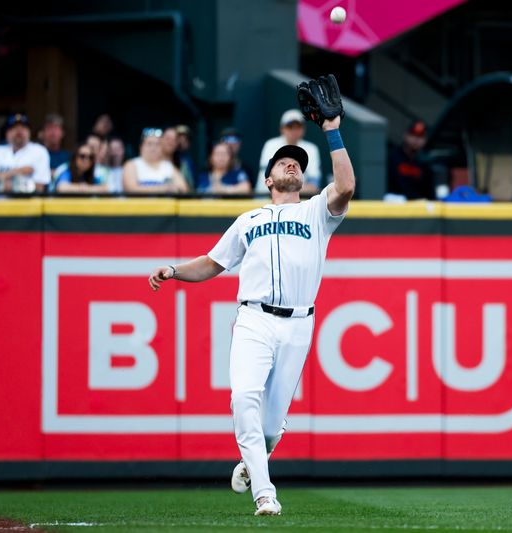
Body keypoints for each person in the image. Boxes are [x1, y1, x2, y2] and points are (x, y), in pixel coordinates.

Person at [148, 90, 352, 517]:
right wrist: (173, 270)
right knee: (244, 397)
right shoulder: (248, 220)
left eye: (297, 162)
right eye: (283, 161)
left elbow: (347, 186)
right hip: (254, 319)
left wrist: (332, 132)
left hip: (298, 325)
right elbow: (212, 263)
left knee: (271, 428)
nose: (292, 164)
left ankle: (253, 459)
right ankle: (265, 494)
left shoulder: (318, 212)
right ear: (268, 178)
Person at [257, 109, 322, 195]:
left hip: (300, 200)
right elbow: (266, 181)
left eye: (298, 127)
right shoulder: (271, 145)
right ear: (282, 129)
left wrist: (287, 188)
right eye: (290, 127)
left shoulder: (311, 149)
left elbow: (313, 185)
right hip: (267, 198)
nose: (294, 131)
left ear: (303, 129)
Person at [0, 114, 51, 193]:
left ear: (29, 132)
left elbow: (41, 186)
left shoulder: (39, 151)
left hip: (29, 202)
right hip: (0, 202)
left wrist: (9, 184)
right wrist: (18, 171)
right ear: (7, 133)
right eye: (14, 128)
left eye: (23, 128)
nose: (19, 131)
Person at [122, 128, 188, 194]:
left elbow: (183, 189)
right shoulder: (132, 165)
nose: (153, 148)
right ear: (141, 147)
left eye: (157, 144)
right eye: (149, 144)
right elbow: (130, 189)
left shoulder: (168, 166)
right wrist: (164, 188)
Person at [387, 119, 433, 200]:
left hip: (417, 205)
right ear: (405, 135)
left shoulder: (424, 163)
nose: (416, 140)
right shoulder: (392, 156)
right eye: (413, 135)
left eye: (420, 137)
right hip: (394, 203)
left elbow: (429, 191)